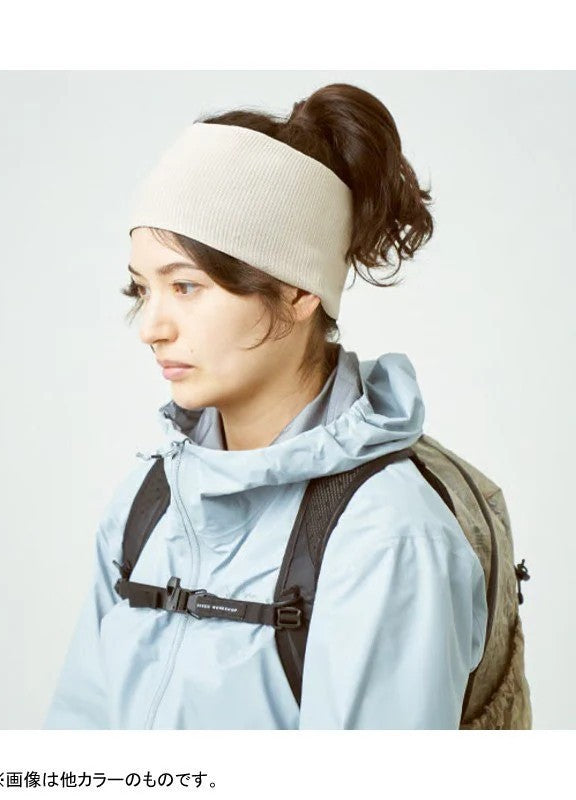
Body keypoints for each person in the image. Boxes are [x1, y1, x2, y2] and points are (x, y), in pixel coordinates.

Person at [43, 82, 487, 730]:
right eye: (143, 290)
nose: (151, 328)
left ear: (298, 290)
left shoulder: (387, 537)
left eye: (186, 286)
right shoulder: (148, 504)